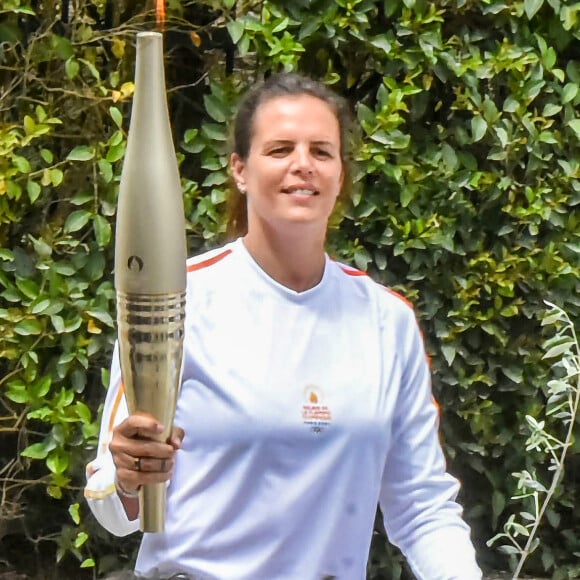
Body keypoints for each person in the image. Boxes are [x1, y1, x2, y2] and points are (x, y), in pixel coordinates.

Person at [85, 73, 482, 579]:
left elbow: (422, 505)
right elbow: (111, 505)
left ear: (341, 174)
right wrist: (126, 478)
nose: (302, 164)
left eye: (321, 150)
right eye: (279, 149)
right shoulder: (176, 302)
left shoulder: (387, 321)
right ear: (241, 170)